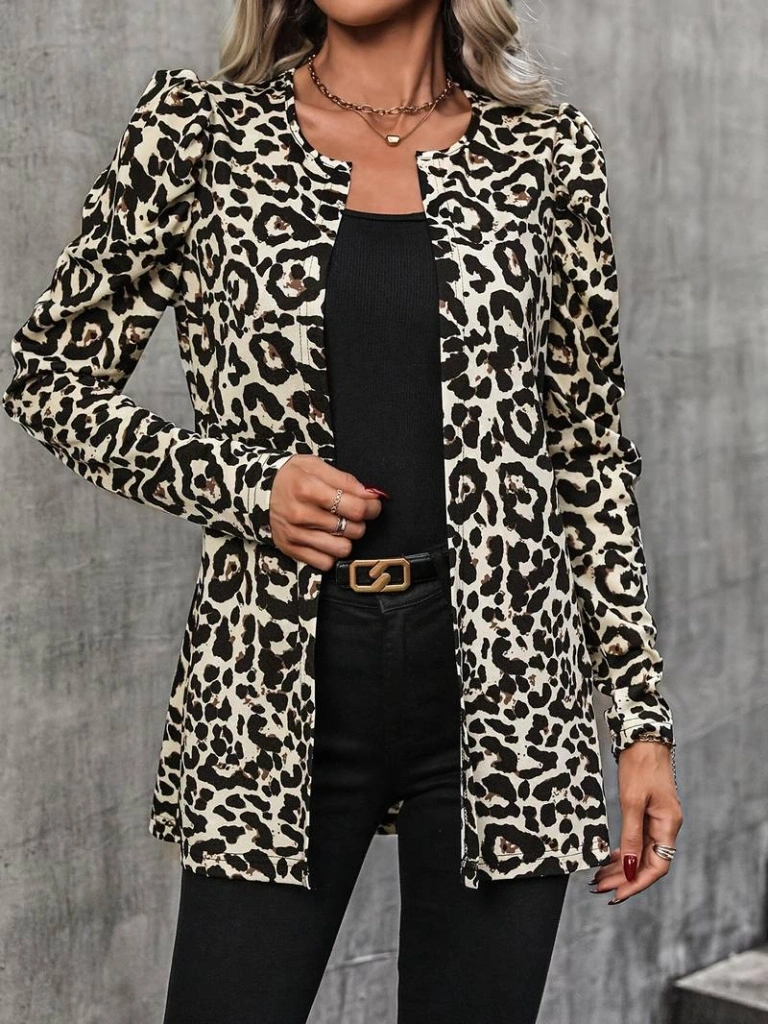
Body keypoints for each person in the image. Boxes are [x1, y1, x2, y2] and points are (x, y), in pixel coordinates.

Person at [3, 1, 684, 1021]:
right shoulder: (199, 133)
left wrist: (639, 721)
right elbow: (48, 377)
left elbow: (585, 451)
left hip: (507, 690)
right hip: (270, 685)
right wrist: (245, 484)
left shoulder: (547, 155)